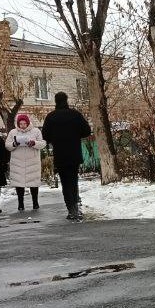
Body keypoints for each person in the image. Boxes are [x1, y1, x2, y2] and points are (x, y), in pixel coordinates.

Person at [42, 92, 92, 220]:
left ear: (55, 101)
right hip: (74, 152)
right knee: (73, 180)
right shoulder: (75, 115)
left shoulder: (51, 117)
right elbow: (86, 130)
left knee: (65, 182)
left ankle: (70, 209)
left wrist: (55, 138)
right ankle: (75, 206)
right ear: (66, 100)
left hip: (60, 154)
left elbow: (45, 136)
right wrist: (75, 135)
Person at [7, 114, 46, 211]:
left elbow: (42, 143)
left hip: (32, 161)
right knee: (19, 184)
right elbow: (7, 145)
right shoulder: (13, 132)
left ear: (28, 123)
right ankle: (20, 204)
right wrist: (14, 144)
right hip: (17, 161)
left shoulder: (36, 131)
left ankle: (35, 203)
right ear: (18, 123)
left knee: (33, 183)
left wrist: (34, 143)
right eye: (20, 124)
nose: (22, 125)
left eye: (24, 123)